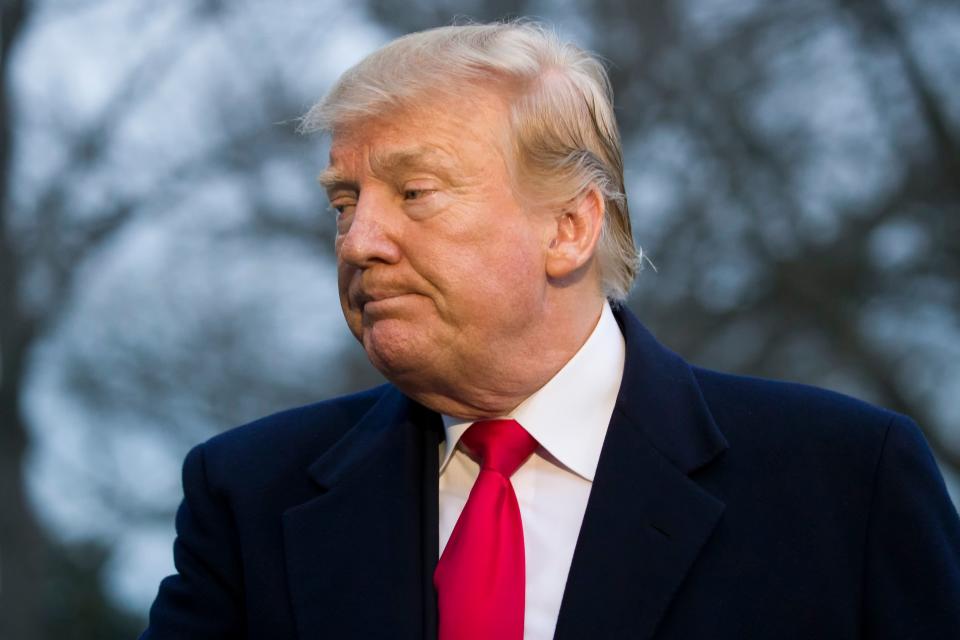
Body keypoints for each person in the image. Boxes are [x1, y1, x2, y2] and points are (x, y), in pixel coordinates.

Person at [141, 22, 960, 640]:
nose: (359, 242)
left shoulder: (845, 482)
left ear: (569, 228)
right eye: (343, 204)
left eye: (415, 193)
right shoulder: (249, 494)